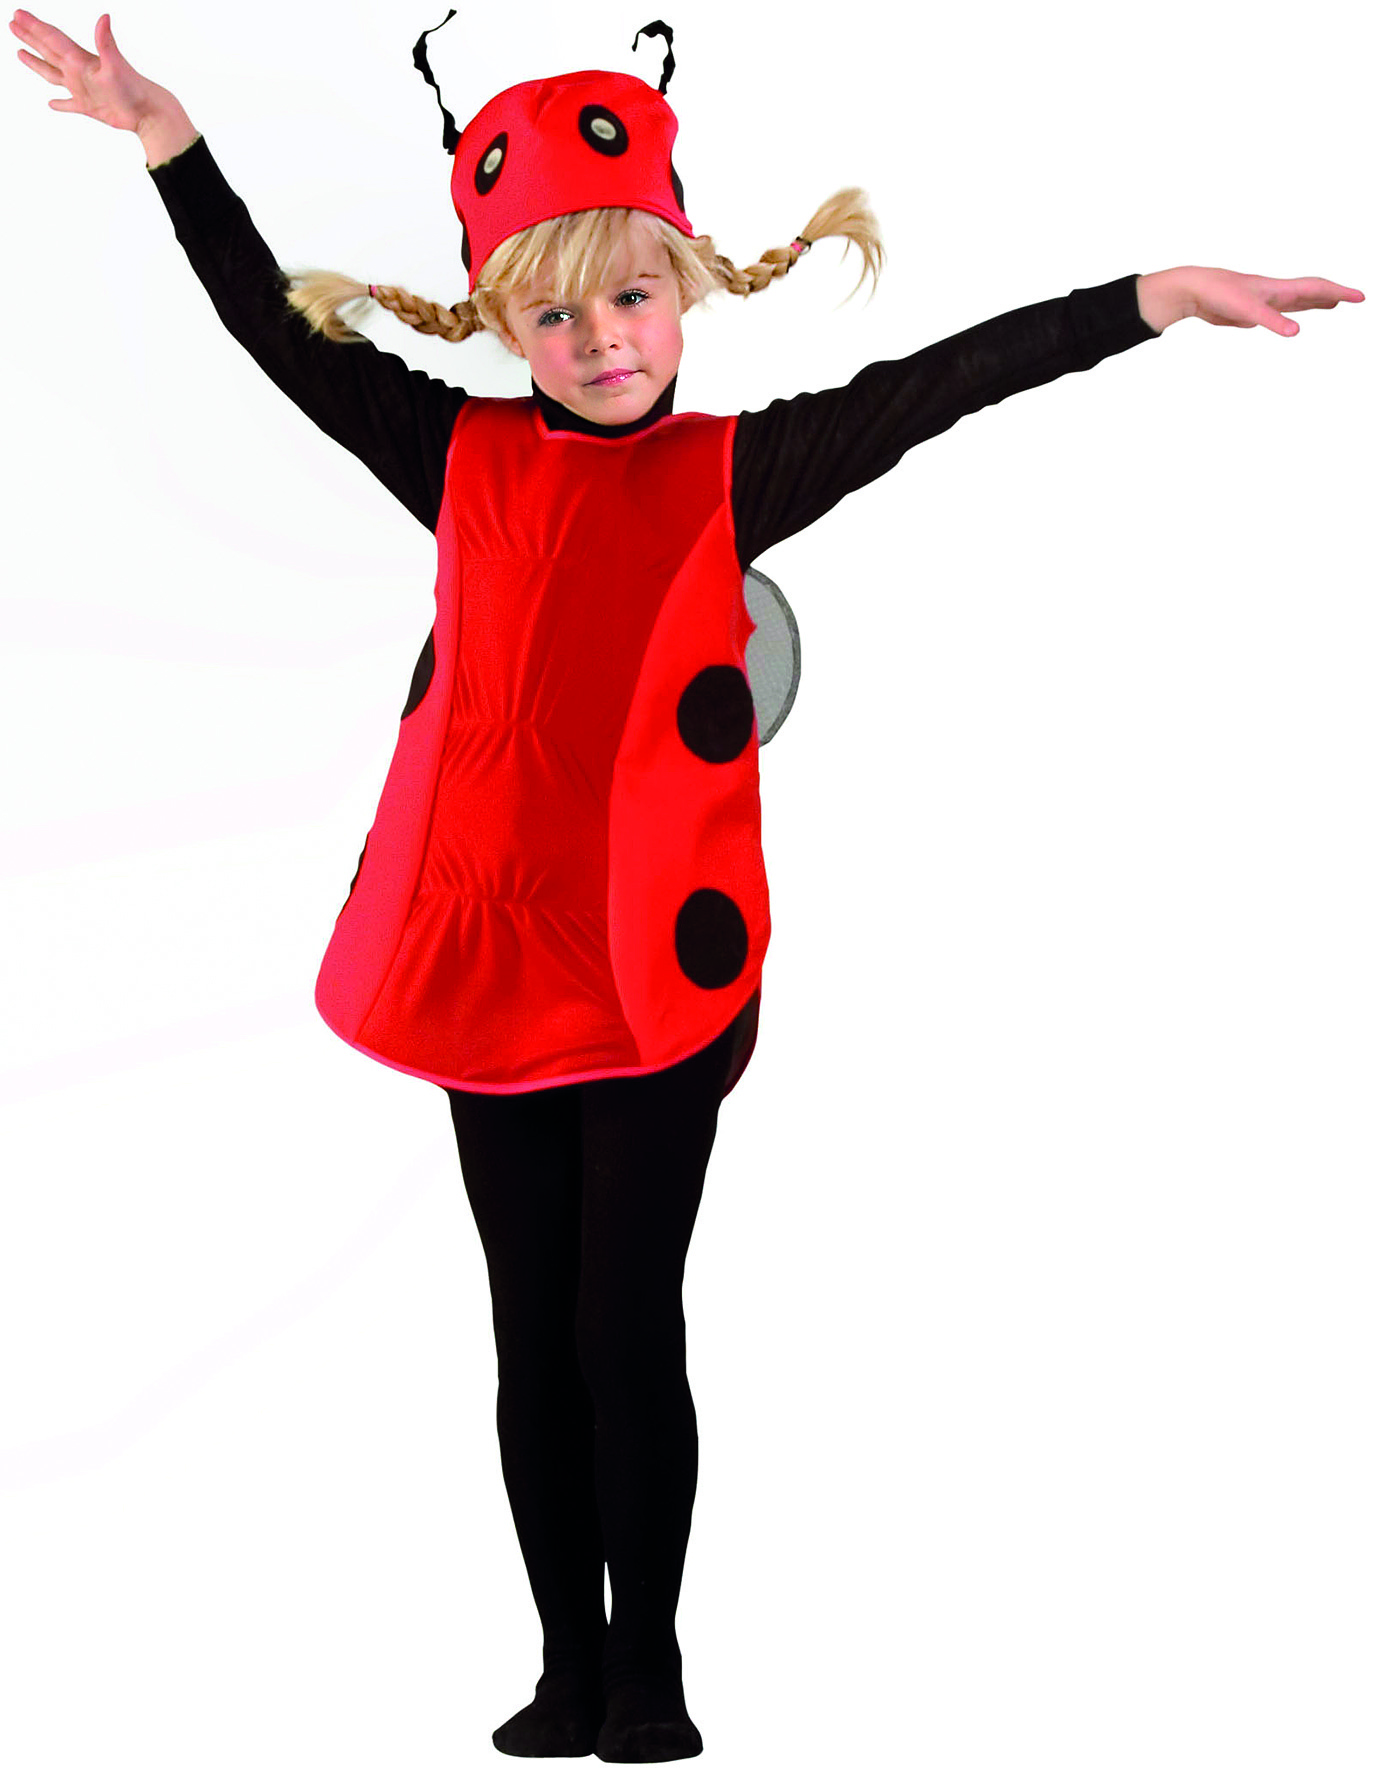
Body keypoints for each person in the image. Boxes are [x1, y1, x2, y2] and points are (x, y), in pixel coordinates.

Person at [9, 8, 1363, 1765]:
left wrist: (1147, 299)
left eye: (629, 299)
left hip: (650, 973)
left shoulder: (735, 473)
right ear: (500, 322)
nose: (599, 343)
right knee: (527, 1337)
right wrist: (171, 145)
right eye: (553, 315)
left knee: (619, 1325)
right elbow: (271, 332)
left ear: (683, 287)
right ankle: (563, 1666)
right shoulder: (454, 455)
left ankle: (646, 1666)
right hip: (485, 956)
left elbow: (934, 386)